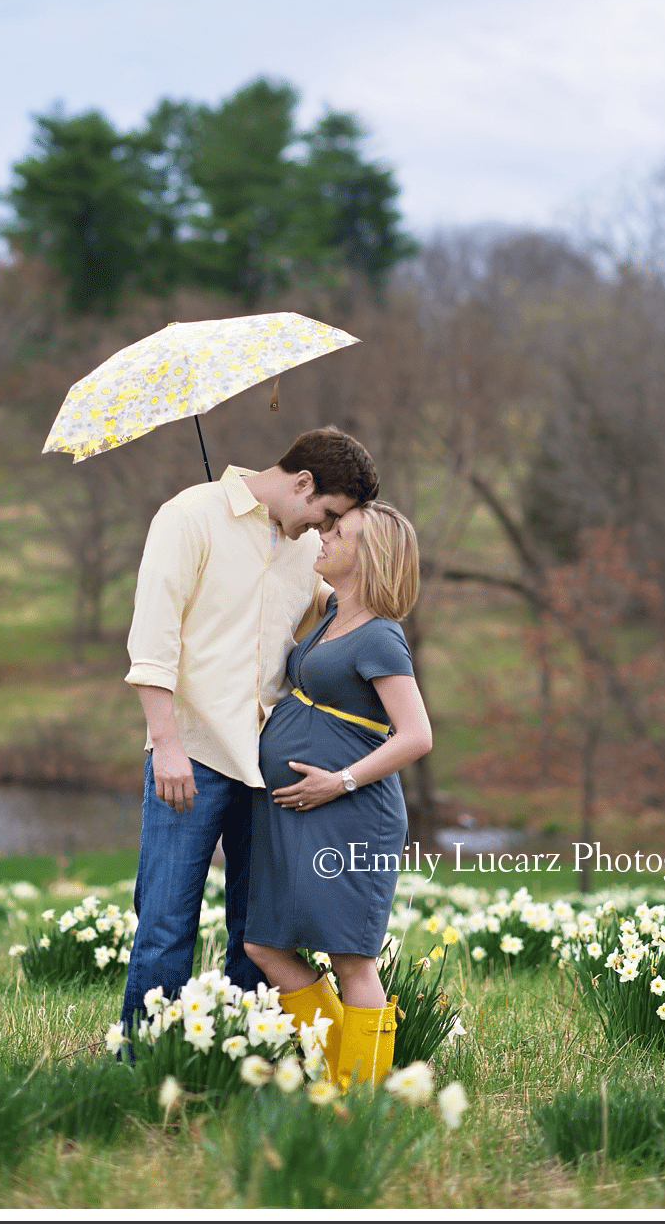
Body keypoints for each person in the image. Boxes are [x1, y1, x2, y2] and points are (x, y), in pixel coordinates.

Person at [118, 426, 380, 1045]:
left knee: (256, 931)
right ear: (303, 483)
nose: (324, 529)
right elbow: (152, 642)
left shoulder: (299, 547)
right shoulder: (189, 517)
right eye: (327, 513)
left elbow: (321, 619)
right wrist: (167, 745)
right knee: (164, 921)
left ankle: (241, 1058)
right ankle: (143, 1061)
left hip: (270, 765)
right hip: (194, 756)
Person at [243, 500, 432, 1088]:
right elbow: (286, 571)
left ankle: (361, 1093)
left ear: (368, 553)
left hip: (352, 814)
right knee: (264, 946)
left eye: (336, 531)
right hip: (299, 812)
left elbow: (418, 735)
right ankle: (338, 1071)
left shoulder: (381, 636)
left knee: (352, 957)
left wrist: (340, 780)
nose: (322, 537)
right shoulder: (332, 614)